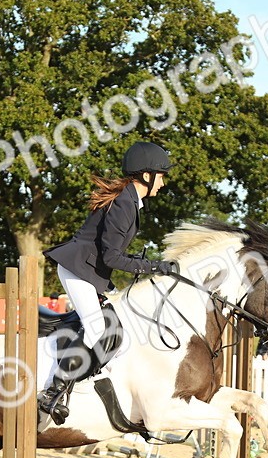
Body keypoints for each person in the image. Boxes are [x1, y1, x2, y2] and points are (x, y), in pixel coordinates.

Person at [38, 141, 177, 425]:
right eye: (161, 176)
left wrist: (142, 264)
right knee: (96, 327)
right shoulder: (125, 204)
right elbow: (112, 257)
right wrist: (155, 267)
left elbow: (109, 253)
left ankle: (90, 379)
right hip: (78, 270)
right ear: (146, 175)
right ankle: (53, 391)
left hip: (91, 272)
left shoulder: (130, 201)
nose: (163, 184)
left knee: (116, 319)